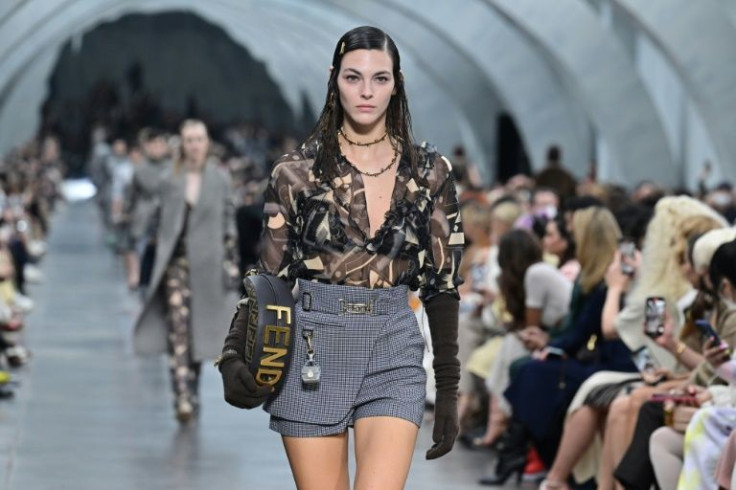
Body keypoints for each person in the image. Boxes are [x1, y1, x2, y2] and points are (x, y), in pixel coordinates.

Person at [217, 26, 464, 489]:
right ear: (334, 79)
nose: (367, 91)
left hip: (394, 344)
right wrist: (233, 351)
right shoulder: (295, 173)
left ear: (398, 82)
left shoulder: (431, 172)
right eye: (353, 78)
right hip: (313, 346)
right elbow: (270, 275)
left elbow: (442, 282)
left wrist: (448, 387)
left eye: (380, 79)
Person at [132, 119, 239, 424]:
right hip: (175, 264)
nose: (194, 145)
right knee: (177, 329)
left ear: (207, 143)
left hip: (207, 265)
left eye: (199, 139)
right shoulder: (170, 178)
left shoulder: (219, 180)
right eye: (189, 139)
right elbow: (155, 217)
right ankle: (181, 395)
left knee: (198, 332)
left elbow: (229, 221)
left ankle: (190, 389)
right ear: (181, 143)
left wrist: (231, 268)